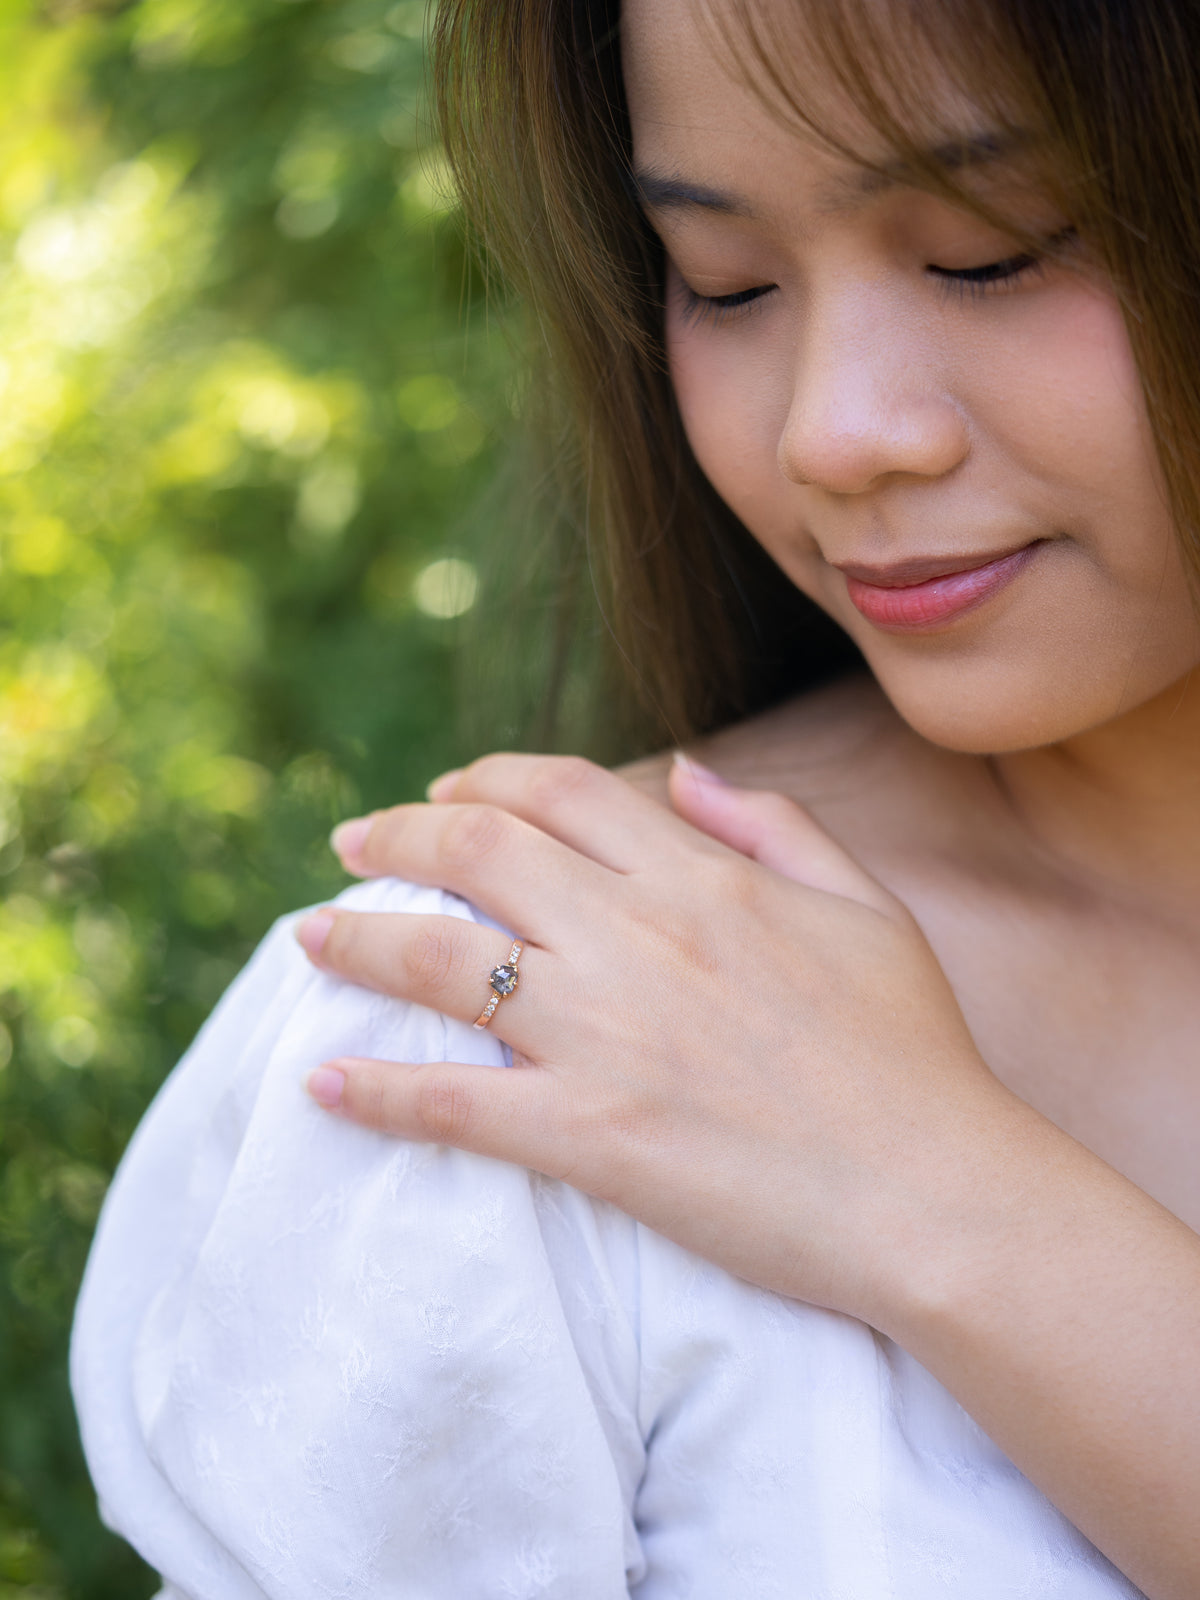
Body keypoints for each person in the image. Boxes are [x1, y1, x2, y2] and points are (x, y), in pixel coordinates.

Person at [71, 0, 1200, 1595]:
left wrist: (949, 1202)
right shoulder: (514, 1014)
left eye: (991, 247)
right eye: (725, 283)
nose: (833, 435)